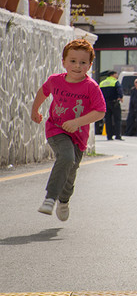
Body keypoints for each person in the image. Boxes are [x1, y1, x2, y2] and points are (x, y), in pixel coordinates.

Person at [29, 39, 106, 222]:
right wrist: (35, 110)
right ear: (63, 62)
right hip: (56, 129)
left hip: (78, 136)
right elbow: (43, 92)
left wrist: (78, 122)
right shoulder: (55, 80)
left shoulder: (91, 87)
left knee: (71, 171)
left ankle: (64, 200)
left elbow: (100, 112)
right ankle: (50, 199)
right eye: (72, 61)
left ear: (90, 65)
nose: (77, 66)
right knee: (66, 157)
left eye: (83, 62)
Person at [99, 70, 123, 140]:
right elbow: (119, 90)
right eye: (116, 74)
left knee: (108, 120)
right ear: (112, 75)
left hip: (105, 103)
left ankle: (109, 136)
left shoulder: (102, 83)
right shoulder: (115, 82)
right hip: (114, 102)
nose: (117, 75)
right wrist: (120, 97)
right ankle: (118, 135)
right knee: (117, 119)